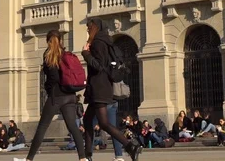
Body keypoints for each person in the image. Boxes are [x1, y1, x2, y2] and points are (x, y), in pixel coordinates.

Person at [15, 30, 87, 161]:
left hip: (56, 96)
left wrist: (49, 88)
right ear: (60, 41)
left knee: (42, 127)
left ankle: (29, 159)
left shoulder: (49, 55)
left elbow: (52, 78)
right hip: (70, 95)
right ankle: (83, 158)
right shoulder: (65, 54)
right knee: (73, 127)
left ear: (48, 41)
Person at [81, 17, 142, 161]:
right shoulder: (106, 41)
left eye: (89, 27)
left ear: (95, 27)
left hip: (99, 87)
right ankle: (87, 156)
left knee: (103, 123)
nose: (88, 30)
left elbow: (99, 66)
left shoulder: (98, 43)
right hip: (101, 86)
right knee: (88, 120)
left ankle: (130, 146)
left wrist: (86, 54)